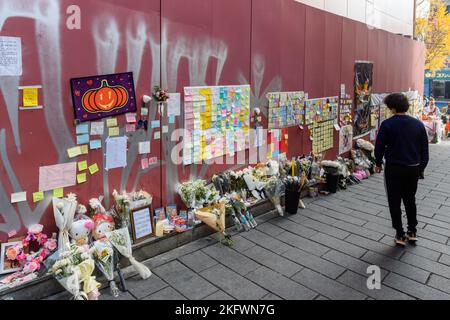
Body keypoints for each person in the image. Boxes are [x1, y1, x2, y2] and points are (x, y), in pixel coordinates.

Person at [374, 93, 429, 246]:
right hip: (413, 168)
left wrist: (378, 163)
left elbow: (379, 147)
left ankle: (400, 234)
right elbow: (424, 149)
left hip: (394, 168)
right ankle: (412, 231)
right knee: (410, 199)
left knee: (394, 201)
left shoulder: (387, 124)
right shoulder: (418, 124)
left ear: (392, 107)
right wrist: (420, 168)